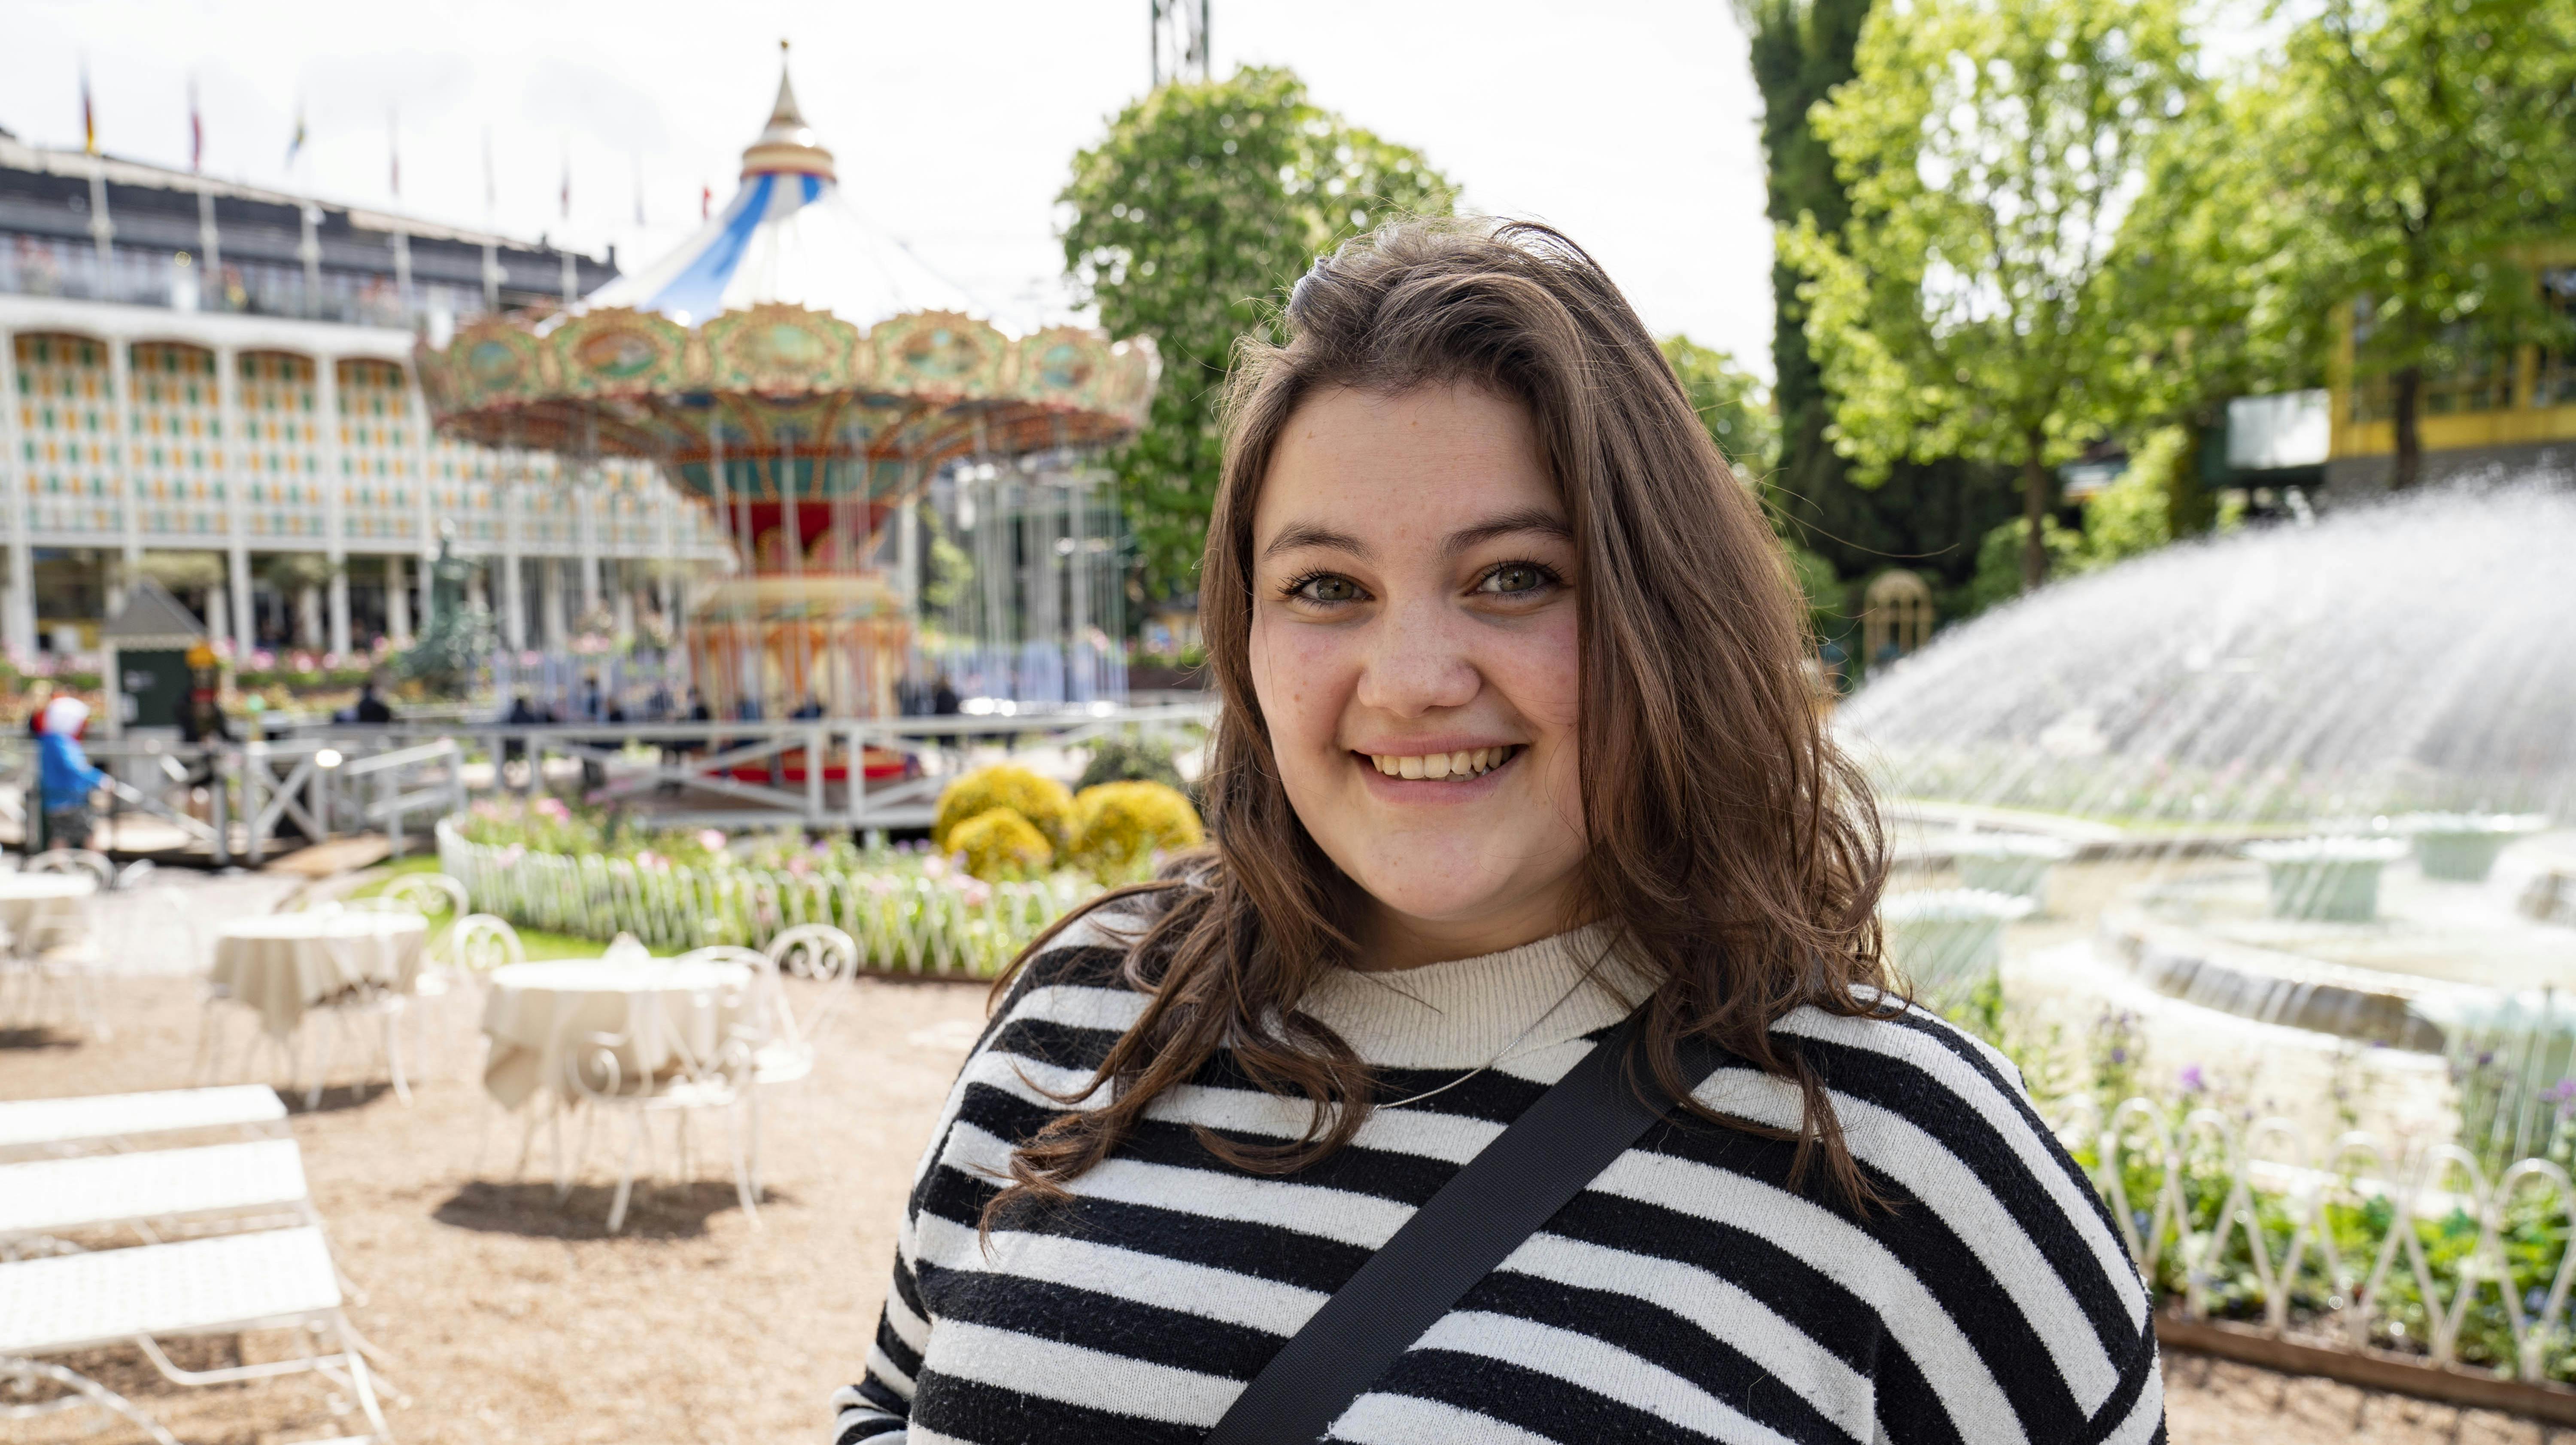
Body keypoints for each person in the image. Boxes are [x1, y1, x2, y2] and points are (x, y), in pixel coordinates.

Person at [830, 222, 2162, 1445]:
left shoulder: (1905, 1160)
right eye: (1325, 586)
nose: (1409, 675)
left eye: (1512, 577)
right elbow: (888, 1405)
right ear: (1248, 636)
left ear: (1664, 614)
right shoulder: (1083, 1019)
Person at [36, 695, 106, 852]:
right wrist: (99, 779)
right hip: (71, 798)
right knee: (89, 835)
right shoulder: (62, 742)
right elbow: (75, 768)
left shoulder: (48, 741)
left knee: (60, 837)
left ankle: (58, 868)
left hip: (55, 799)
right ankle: (99, 870)